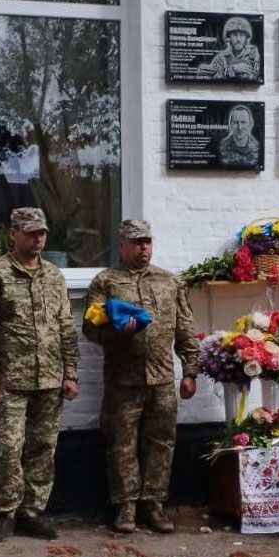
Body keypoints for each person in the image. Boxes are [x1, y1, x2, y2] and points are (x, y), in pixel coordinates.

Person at [0, 207, 80, 542]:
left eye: (42, 233)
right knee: (9, 447)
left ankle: (31, 512)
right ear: (13, 233)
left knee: (43, 448)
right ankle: (4, 513)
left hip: (50, 379)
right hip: (11, 381)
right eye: (31, 233)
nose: (38, 239)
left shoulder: (54, 277)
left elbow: (65, 326)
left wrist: (70, 373)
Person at [83, 220, 200, 534]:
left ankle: (154, 503)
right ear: (121, 246)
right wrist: (115, 331)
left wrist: (190, 371)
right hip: (123, 380)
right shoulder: (106, 281)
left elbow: (186, 330)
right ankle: (125, 506)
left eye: (147, 242)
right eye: (136, 243)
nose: (143, 248)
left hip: (162, 379)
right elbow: (90, 329)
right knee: (121, 443)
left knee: (161, 442)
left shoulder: (170, 282)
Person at [202, 16, 261, 81]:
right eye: (235, 35)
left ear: (246, 38)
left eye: (241, 35)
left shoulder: (252, 52)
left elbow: (255, 76)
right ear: (229, 38)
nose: (238, 40)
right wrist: (231, 70)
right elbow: (215, 78)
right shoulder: (221, 57)